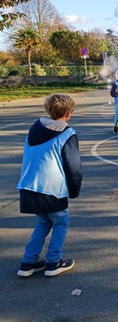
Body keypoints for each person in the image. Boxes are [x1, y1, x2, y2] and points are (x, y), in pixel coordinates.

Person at [16, 94, 82, 277]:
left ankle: (28, 263)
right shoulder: (67, 133)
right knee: (61, 221)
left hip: (29, 186)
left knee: (44, 221)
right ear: (68, 113)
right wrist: (74, 188)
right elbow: (73, 165)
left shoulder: (34, 130)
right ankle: (54, 262)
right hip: (51, 188)